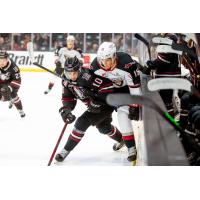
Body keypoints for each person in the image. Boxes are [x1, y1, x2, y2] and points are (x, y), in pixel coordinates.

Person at [55, 56, 124, 162]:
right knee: (103, 127)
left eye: (74, 73)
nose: (72, 76)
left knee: (81, 122)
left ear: (79, 69)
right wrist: (67, 109)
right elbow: (68, 97)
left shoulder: (88, 76)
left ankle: (65, 150)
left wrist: (95, 97)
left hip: (105, 104)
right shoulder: (65, 81)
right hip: (93, 106)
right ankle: (122, 140)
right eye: (69, 73)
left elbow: (108, 86)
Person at [90, 42, 142, 162]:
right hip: (106, 93)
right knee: (101, 125)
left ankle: (131, 148)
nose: (104, 63)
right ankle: (121, 139)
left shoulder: (126, 62)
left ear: (114, 57)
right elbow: (91, 85)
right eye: (101, 60)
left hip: (123, 90)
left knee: (122, 116)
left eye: (108, 59)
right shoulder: (95, 66)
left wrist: (135, 105)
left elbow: (134, 87)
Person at [143, 33, 181, 118]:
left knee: (165, 102)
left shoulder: (167, 39)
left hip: (167, 76)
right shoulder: (172, 38)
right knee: (167, 102)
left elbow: (163, 60)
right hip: (172, 75)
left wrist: (151, 64)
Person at [0, 50, 25, 117]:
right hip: (1, 81)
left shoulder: (14, 67)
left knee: (12, 94)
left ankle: (20, 110)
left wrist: (10, 88)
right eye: (0, 60)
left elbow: (18, 80)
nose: (1, 62)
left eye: (3, 60)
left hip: (11, 82)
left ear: (7, 59)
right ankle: (9, 98)